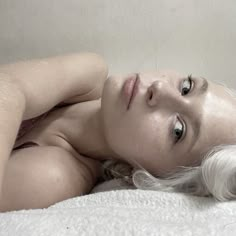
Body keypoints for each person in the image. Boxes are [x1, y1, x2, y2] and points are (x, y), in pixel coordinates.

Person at [0, 53, 235, 212]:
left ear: (154, 178)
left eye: (177, 130)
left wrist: (14, 91)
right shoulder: (91, 73)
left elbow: (8, 88)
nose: (160, 89)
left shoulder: (54, 176)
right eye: (186, 87)